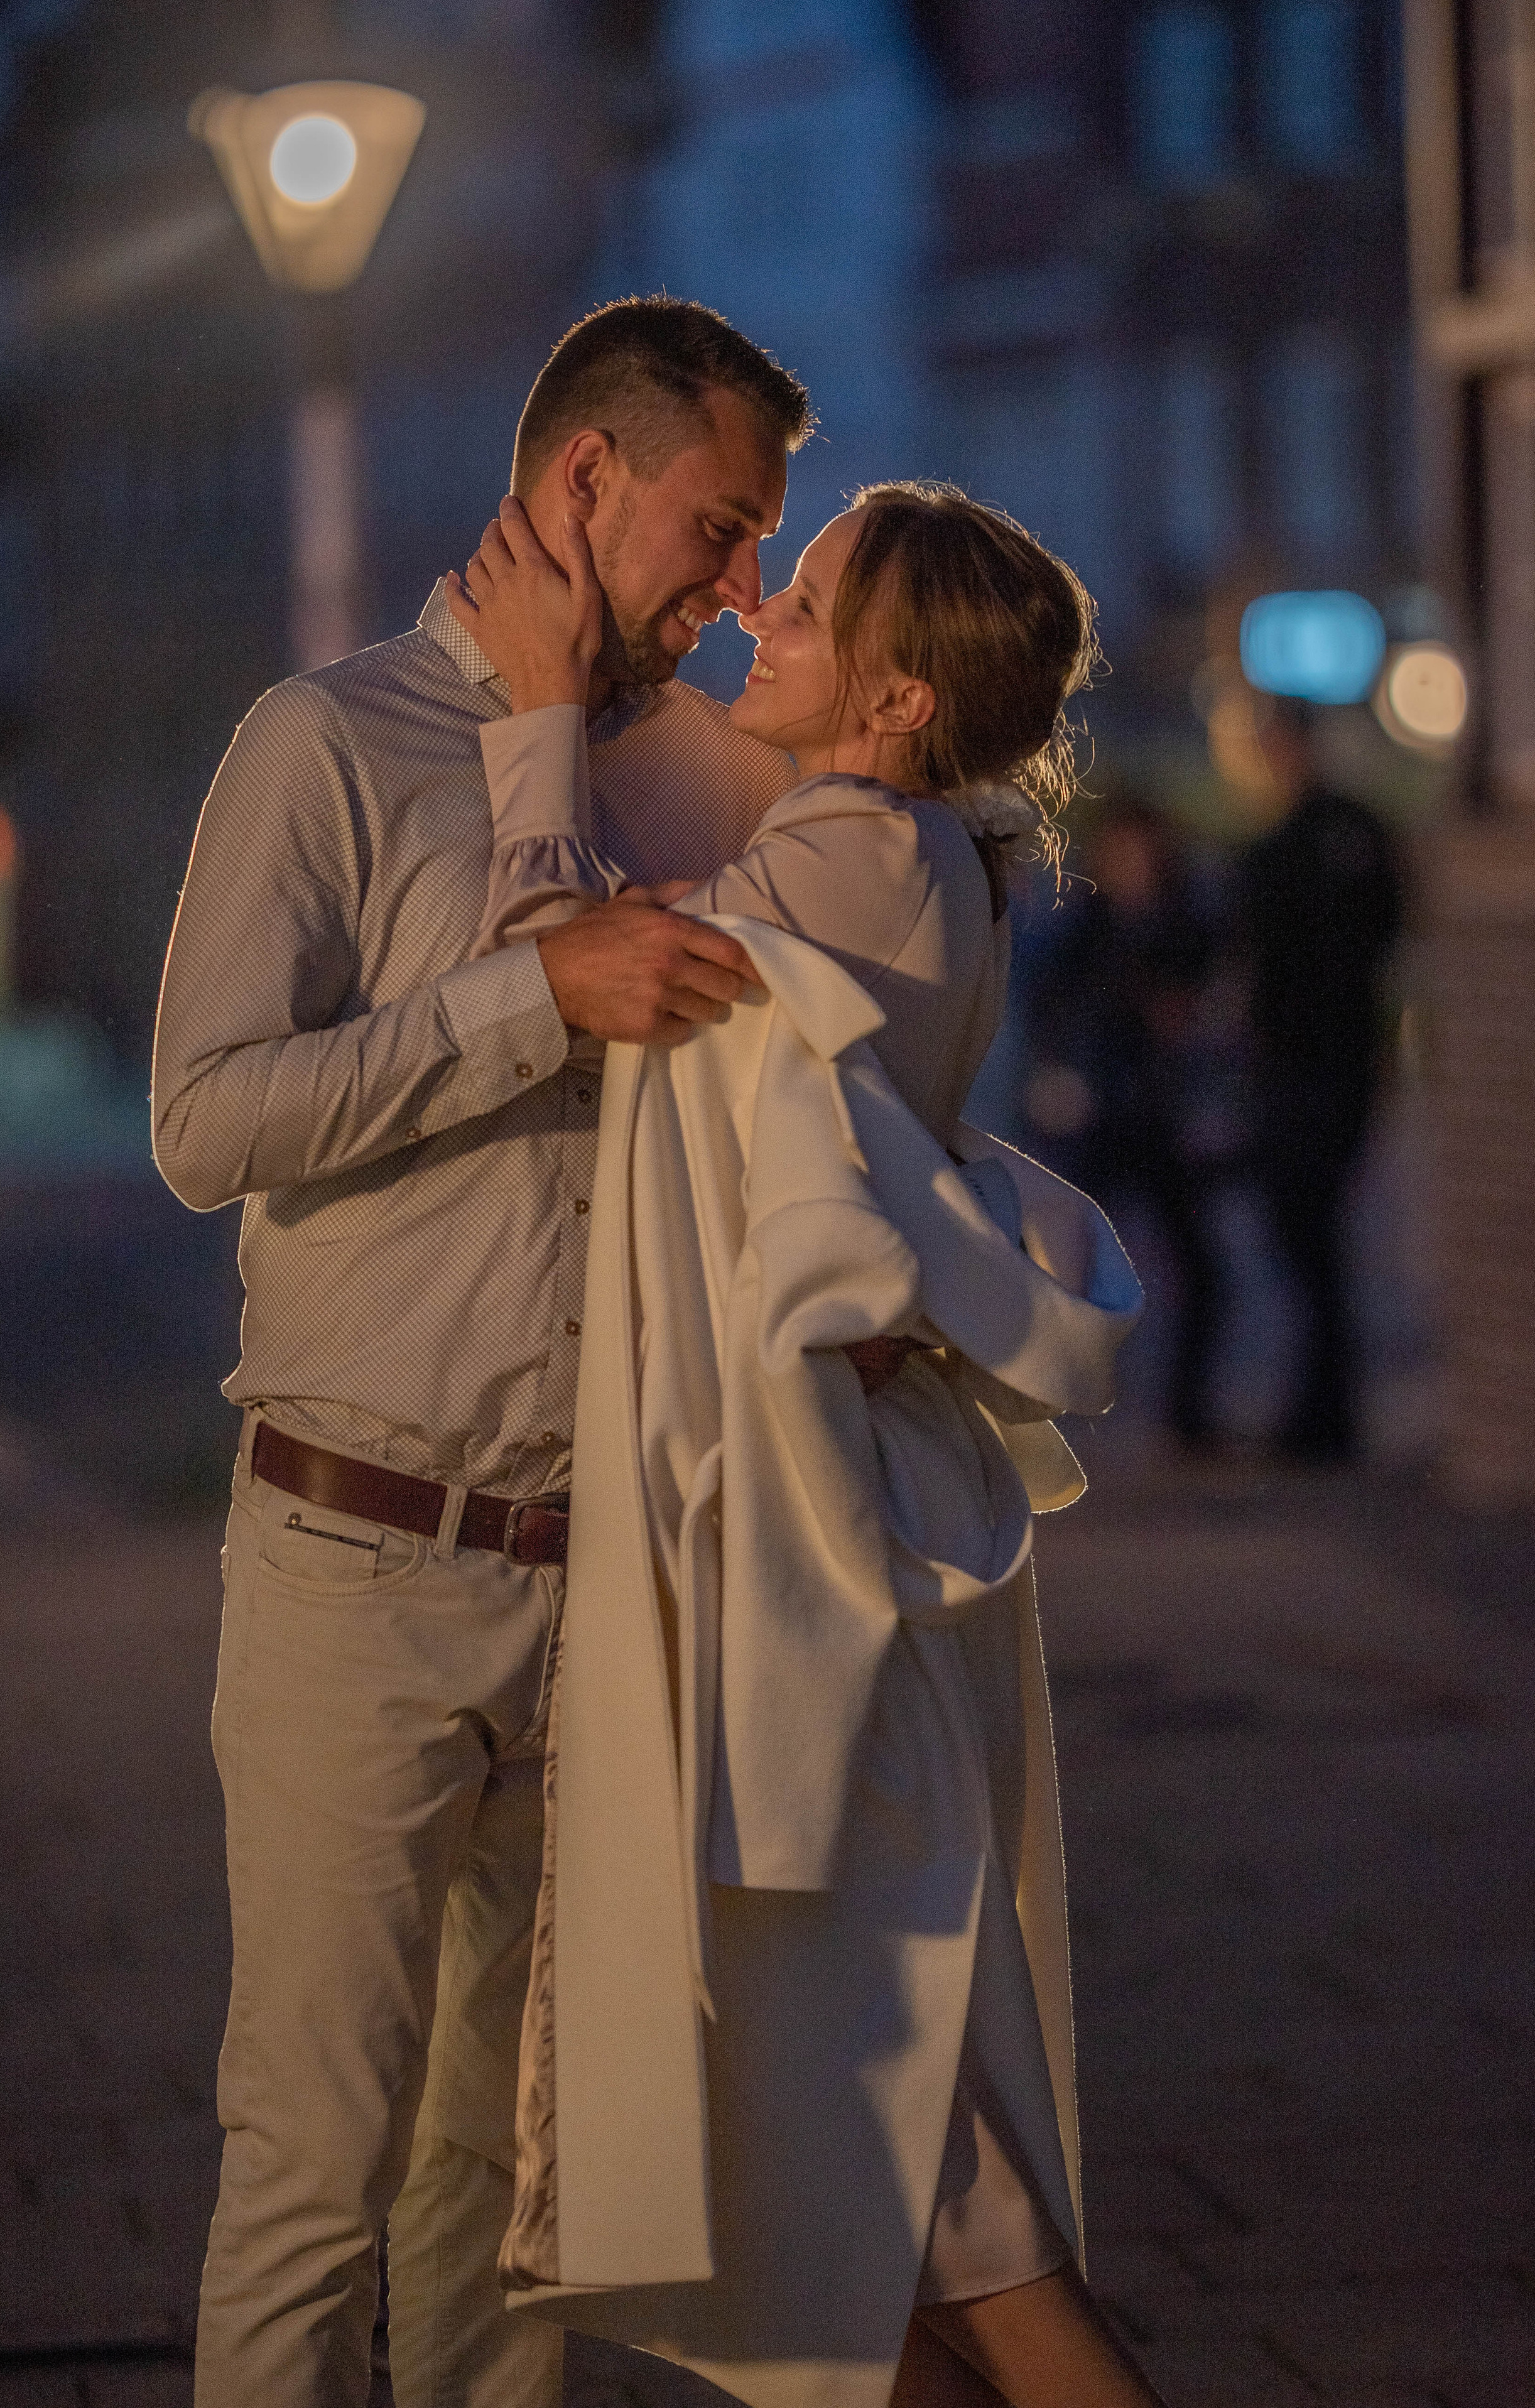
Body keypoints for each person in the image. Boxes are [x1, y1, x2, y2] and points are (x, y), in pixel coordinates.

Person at [149, 295, 818, 2408]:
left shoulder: (661, 778)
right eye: (715, 532)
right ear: (584, 480)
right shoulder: (322, 744)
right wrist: (525, 1003)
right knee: (311, 2168)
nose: (735, 598)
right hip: (355, 1560)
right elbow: (203, 1121)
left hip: (590, 1580)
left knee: (511, 2184)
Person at [449, 482, 1167, 2408]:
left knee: (955, 2230)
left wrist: (535, 707)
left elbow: (577, 974)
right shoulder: (894, 846)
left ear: (900, 697)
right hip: (838, 1568)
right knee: (880, 2245)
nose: (758, 606)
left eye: (809, 595)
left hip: (818, 1609)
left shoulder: (856, 851)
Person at [1024, 796, 1229, 1449]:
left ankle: (1187, 1414)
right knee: (1067, 1265)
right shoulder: (1085, 926)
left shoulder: (1186, 924)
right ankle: (1045, 1403)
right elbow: (1051, 1004)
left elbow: (1210, 1004)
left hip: (1165, 1117)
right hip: (1101, 1116)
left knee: (1198, 1269)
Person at [1241, 699, 1404, 1462]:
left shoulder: (1306, 843)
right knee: (1309, 1241)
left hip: (1312, 1066)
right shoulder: (1337, 835)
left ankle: (1323, 1419)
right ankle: (1321, 1413)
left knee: (1309, 1240)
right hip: (1319, 1064)